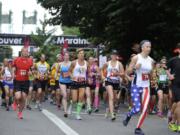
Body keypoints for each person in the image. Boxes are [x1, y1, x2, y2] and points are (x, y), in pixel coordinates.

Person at [123, 40, 154, 135]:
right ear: (142, 47)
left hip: (146, 87)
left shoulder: (151, 60)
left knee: (144, 109)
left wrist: (152, 80)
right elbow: (127, 72)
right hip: (136, 85)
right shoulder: (136, 58)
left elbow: (151, 74)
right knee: (137, 108)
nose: (149, 48)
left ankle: (138, 128)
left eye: (150, 47)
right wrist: (135, 68)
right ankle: (128, 115)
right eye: (147, 46)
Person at [102, 50, 125, 121]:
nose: (114, 56)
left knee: (115, 99)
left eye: (115, 55)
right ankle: (112, 115)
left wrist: (117, 74)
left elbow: (123, 74)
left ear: (116, 56)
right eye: (112, 55)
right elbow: (102, 70)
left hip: (116, 82)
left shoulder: (119, 64)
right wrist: (103, 77)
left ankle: (108, 109)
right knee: (111, 97)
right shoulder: (107, 63)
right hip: (108, 81)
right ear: (110, 56)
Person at [12, 47, 33, 119]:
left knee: (23, 97)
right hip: (17, 80)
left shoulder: (30, 61)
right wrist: (13, 74)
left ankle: (20, 112)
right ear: (21, 52)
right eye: (24, 51)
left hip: (25, 81)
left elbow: (31, 70)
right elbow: (14, 68)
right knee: (18, 96)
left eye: (27, 51)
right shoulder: (16, 60)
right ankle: (14, 102)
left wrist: (31, 73)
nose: (25, 52)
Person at [69, 48, 88, 120]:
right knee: (74, 99)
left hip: (82, 82)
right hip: (75, 82)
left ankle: (78, 114)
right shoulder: (74, 62)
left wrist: (89, 77)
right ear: (78, 55)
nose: (82, 54)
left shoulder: (86, 63)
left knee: (81, 98)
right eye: (80, 53)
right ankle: (71, 105)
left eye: (83, 53)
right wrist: (72, 77)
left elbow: (88, 72)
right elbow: (69, 71)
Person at [167, 43, 180, 133]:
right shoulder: (173, 60)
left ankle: (172, 121)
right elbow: (166, 68)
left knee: (177, 104)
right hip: (176, 84)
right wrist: (169, 75)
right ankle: (178, 125)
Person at [56, 52, 72, 117]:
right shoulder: (60, 64)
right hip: (62, 81)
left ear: (69, 57)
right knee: (64, 95)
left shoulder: (71, 63)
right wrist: (57, 74)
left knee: (67, 96)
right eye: (65, 56)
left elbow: (73, 71)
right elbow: (57, 71)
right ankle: (65, 111)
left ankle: (65, 105)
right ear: (64, 57)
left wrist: (70, 74)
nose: (66, 57)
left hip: (69, 81)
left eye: (68, 56)